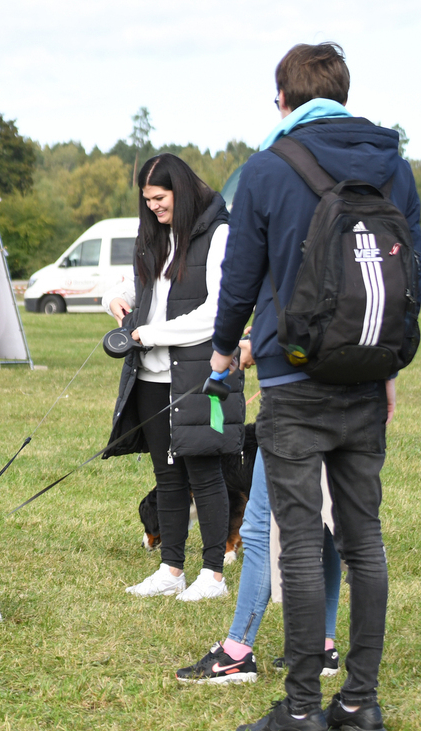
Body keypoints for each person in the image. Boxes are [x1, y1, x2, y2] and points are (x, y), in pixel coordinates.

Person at [211, 42, 421, 731]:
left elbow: (241, 277)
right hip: (367, 375)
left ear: (282, 99)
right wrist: (387, 368)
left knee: (299, 545)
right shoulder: (394, 165)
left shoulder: (267, 169)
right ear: (343, 93)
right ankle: (360, 703)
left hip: (293, 376)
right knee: (365, 540)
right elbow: (409, 276)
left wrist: (221, 353)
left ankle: (300, 709)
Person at [102, 153, 244, 603]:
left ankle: (214, 576)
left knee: (205, 472)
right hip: (150, 375)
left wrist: (153, 332)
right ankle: (171, 569)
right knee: (167, 477)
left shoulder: (219, 233)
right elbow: (144, 286)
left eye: (159, 199)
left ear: (180, 192)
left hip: (200, 375)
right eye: (146, 201)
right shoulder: (154, 236)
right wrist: (118, 298)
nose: (153, 208)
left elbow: (219, 313)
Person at [176, 337, 344, 683]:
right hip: (350, 391)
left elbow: (282, 301)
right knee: (326, 521)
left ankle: (237, 653)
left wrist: (254, 342)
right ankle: (321, 647)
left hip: (294, 397)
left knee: (258, 530)